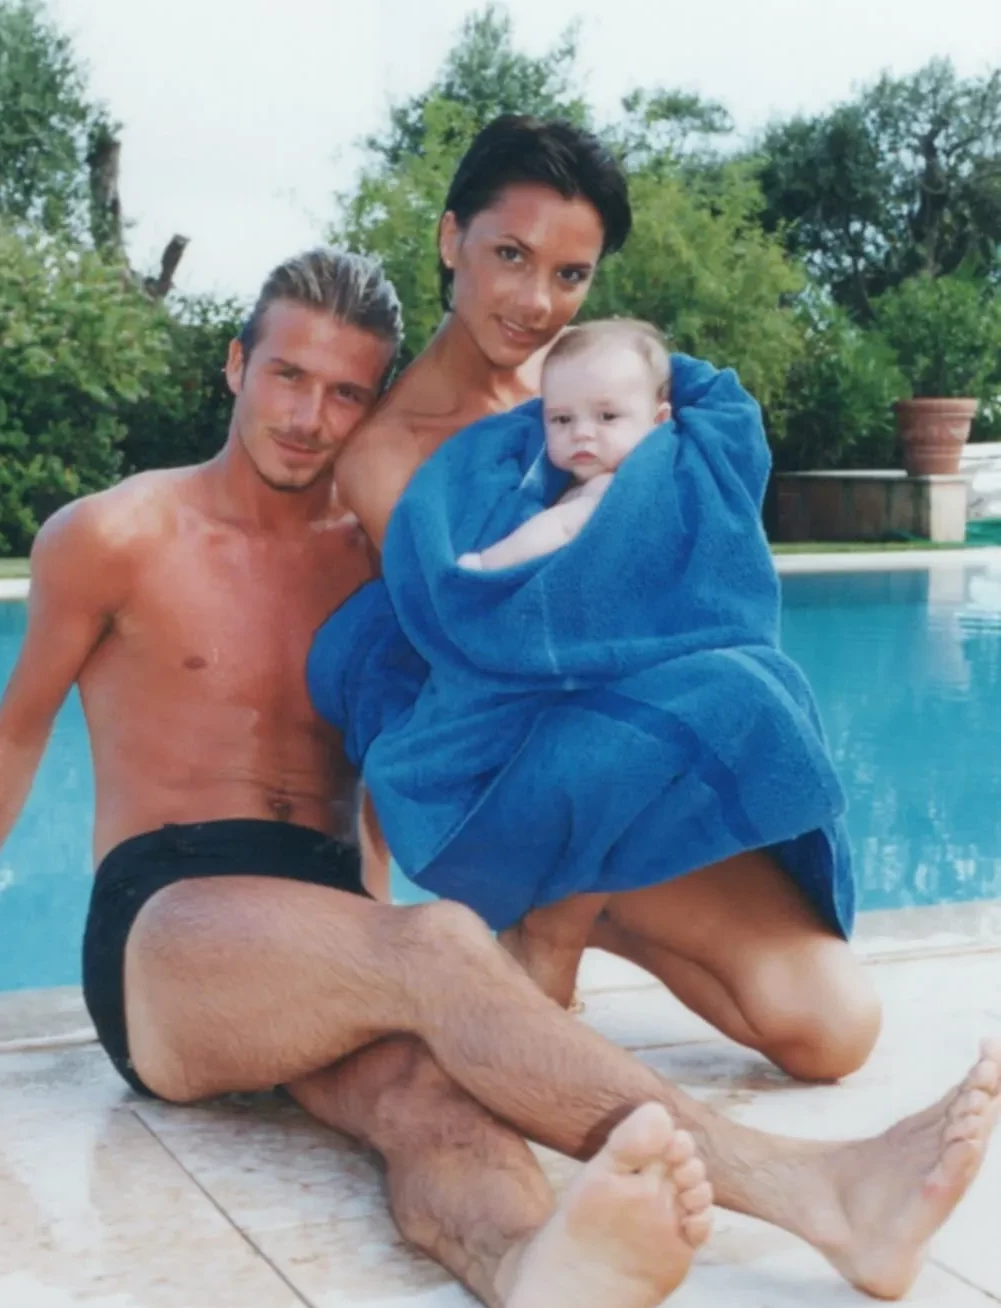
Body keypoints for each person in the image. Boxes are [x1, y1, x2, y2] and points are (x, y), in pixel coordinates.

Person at [0, 250, 999, 1308]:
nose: (310, 416)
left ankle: (524, 1282)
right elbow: (15, 733)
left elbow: (465, 692)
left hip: (322, 925)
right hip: (169, 916)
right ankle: (819, 1194)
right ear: (236, 365)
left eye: (346, 393)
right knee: (440, 943)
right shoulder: (113, 533)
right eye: (288, 376)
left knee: (429, 1099)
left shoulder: (387, 558)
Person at [335, 114, 882, 1079]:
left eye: (570, 273)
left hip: (647, 763)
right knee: (822, 1023)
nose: (535, 300)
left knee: (833, 1027)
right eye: (510, 255)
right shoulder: (392, 460)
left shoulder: (598, 391)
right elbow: (441, 659)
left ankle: (573, 912)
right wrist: (377, 933)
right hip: (529, 793)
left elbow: (693, 507)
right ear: (450, 239)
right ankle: (550, 912)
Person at [457, 317, 671, 571]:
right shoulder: (568, 481)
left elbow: (562, 528)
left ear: (658, 421)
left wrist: (487, 562)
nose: (580, 433)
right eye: (562, 419)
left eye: (607, 416)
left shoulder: (611, 485)